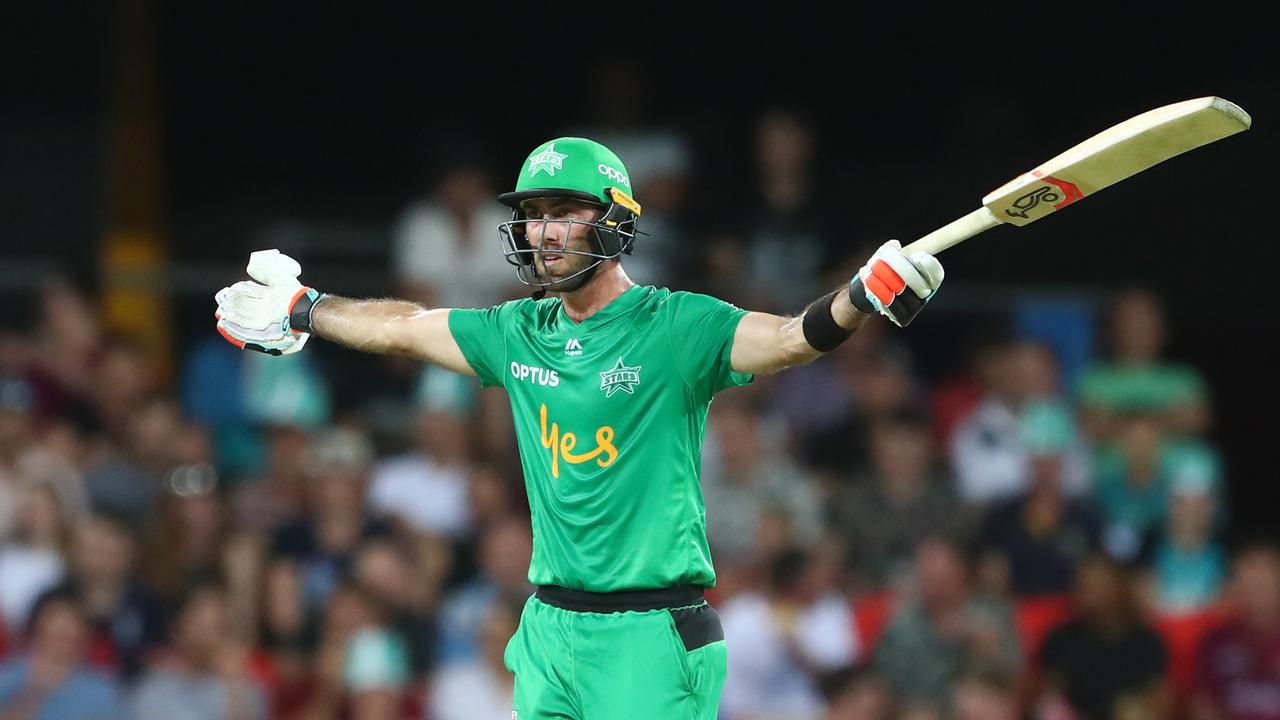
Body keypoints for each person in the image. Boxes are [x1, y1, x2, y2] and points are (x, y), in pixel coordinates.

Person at [213, 136, 947, 719]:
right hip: (550, 630)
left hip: (652, 637)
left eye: (565, 209)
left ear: (616, 220)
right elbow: (407, 326)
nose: (544, 230)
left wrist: (859, 300)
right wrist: (307, 307)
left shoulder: (676, 325)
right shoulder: (516, 331)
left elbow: (790, 337)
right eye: (534, 212)